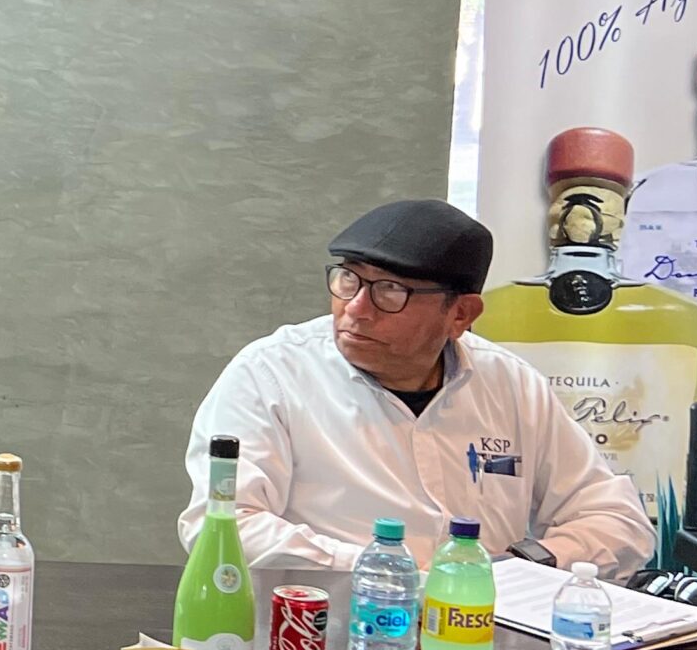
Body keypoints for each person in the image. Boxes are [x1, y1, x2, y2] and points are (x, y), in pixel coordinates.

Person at [179, 197, 650, 575]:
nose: (356, 308)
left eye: (390, 291)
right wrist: (392, 576)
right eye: (348, 279)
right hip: (319, 642)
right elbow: (222, 526)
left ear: (460, 314)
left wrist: (518, 569)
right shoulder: (271, 374)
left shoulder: (511, 384)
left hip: (479, 641)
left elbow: (617, 521)